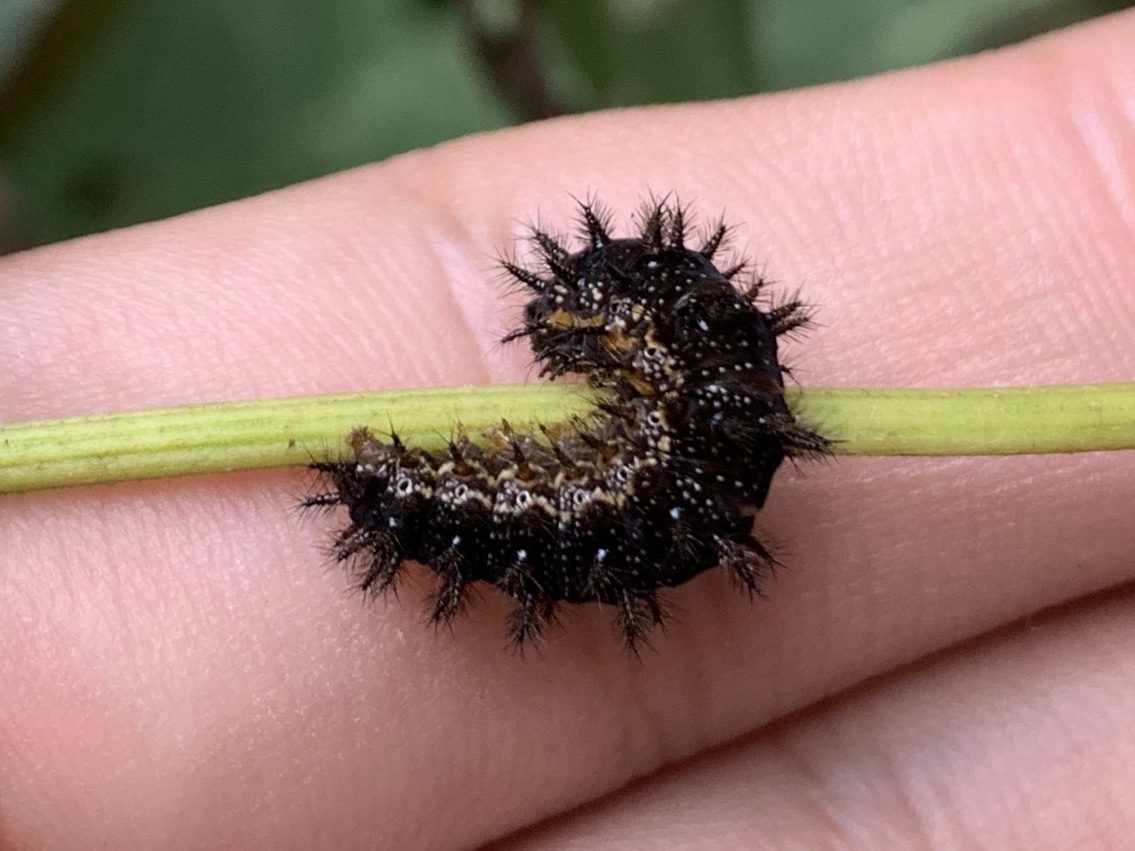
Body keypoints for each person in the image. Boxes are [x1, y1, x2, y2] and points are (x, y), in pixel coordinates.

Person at [2, 10, 1134, 849]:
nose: (557, 339)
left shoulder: (682, 444)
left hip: (589, 504)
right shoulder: (678, 422)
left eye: (581, 325)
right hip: (584, 501)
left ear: (654, 343)